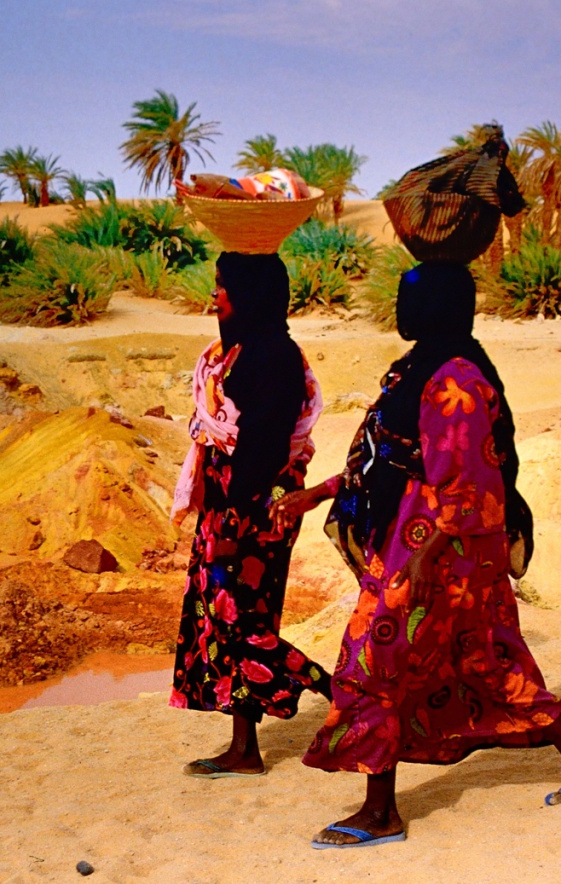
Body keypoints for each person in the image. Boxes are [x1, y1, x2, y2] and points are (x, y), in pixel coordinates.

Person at [272, 262, 561, 849]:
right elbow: (386, 457)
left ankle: (381, 812)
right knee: (484, 659)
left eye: (409, 297)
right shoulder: (417, 370)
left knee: (373, 660)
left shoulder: (456, 380)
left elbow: (471, 480)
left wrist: (426, 553)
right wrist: (318, 493)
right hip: (428, 541)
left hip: (441, 546)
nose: (398, 308)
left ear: (438, 307)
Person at [168, 252, 331, 778]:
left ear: (252, 295)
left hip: (256, 504)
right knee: (225, 618)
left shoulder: (274, 357)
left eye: (225, 287)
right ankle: (245, 749)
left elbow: (262, 447)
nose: (215, 296)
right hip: (228, 499)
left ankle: (334, 688)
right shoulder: (233, 352)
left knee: (244, 622)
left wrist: (236, 519)